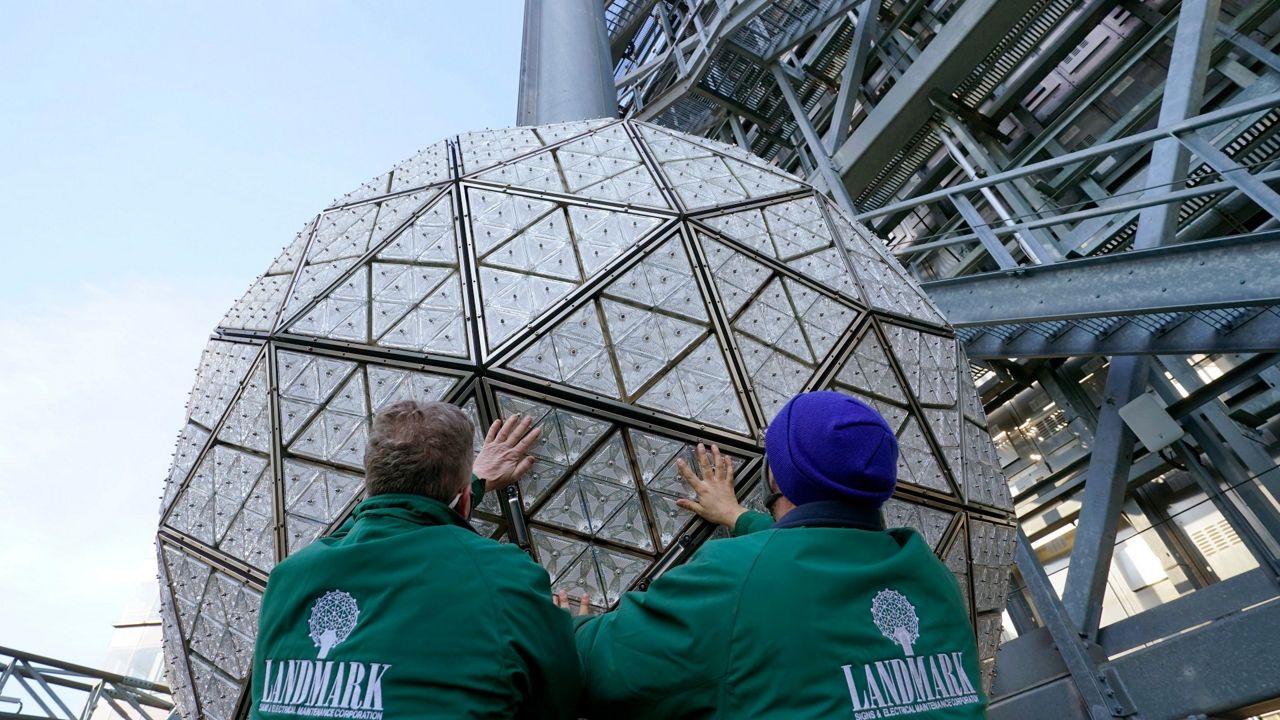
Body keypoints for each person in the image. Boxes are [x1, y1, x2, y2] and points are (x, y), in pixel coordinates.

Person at [568, 391, 986, 719]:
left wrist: (567, 630)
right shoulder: (928, 573)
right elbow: (815, 563)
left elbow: (587, 675)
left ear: (774, 474)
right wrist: (737, 516)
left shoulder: (731, 577)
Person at [249, 400, 582, 720]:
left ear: (371, 484)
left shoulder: (287, 579)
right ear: (464, 499)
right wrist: (570, 633)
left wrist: (473, 483)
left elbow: (374, 521)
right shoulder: (505, 579)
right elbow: (557, 703)